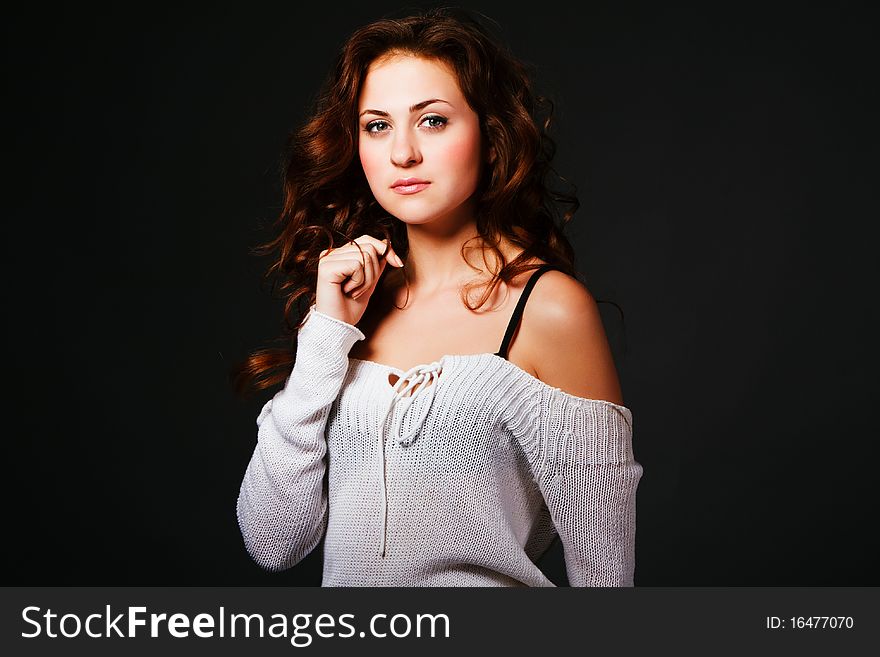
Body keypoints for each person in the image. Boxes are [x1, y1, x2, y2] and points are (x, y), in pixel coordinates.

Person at [232, 7, 644, 586]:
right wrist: (325, 333)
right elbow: (273, 540)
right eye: (377, 125)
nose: (403, 153)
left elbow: (605, 580)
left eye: (432, 121)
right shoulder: (345, 311)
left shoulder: (549, 308)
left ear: (490, 134)